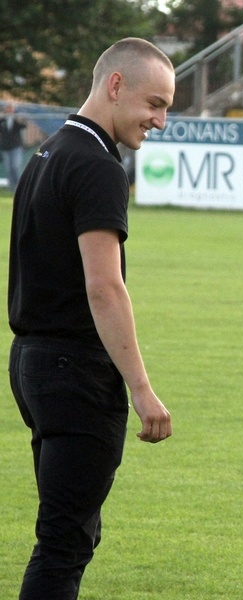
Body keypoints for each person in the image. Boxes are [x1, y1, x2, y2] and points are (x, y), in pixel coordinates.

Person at [7, 38, 174, 599]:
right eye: (155, 103)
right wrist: (142, 389)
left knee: (68, 533)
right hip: (73, 370)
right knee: (64, 542)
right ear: (116, 85)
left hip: (32, 364)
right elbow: (104, 287)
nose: (162, 120)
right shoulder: (98, 165)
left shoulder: (49, 151)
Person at [0, 102, 28, 190]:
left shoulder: (16, 119)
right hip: (5, 147)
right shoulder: (2, 120)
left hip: (16, 146)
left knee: (15, 166)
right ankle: (11, 186)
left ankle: (18, 185)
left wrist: (19, 118)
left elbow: (24, 125)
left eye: (10, 108)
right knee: (9, 167)